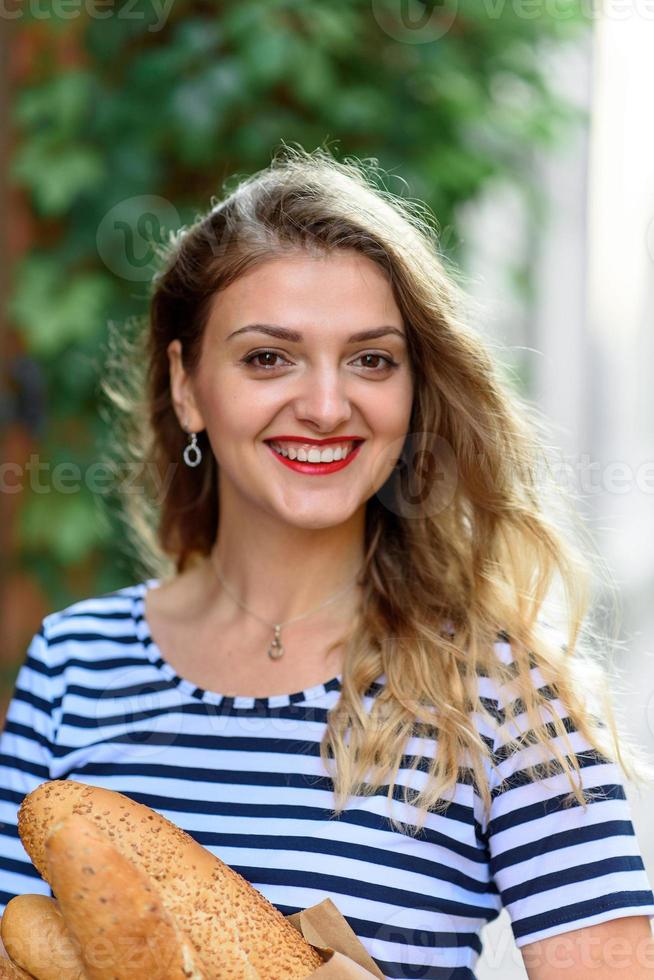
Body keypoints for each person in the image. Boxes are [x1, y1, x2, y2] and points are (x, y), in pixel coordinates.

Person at [1, 145, 653, 980]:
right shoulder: (73, 665)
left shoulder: (506, 692)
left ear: (413, 390)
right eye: (268, 357)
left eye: (371, 359)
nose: (323, 405)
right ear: (188, 384)